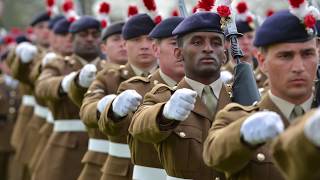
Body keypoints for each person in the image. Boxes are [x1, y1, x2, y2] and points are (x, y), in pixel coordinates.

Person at [203, 10, 318, 180]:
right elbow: (214, 154)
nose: (299, 67)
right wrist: (243, 135)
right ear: (262, 62)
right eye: (285, 56)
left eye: (307, 54)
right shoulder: (237, 117)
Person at [130, 12, 231, 180]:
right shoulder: (164, 98)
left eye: (216, 42)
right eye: (197, 42)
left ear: (224, 55)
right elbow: (140, 126)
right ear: (178, 54)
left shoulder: (241, 98)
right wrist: (165, 114)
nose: (208, 48)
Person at [99, 16, 184, 180]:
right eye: (174, 43)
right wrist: (114, 110)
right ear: (157, 49)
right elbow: (110, 126)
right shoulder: (130, 86)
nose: (144, 46)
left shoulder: (211, 88)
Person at [80, 13, 157, 180]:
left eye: (150, 39)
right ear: (124, 44)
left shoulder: (171, 77)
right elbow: (86, 111)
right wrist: (109, 107)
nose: (144, 46)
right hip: (120, 169)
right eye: (136, 40)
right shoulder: (109, 77)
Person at [33, 16, 102, 180]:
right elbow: (42, 87)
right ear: (72, 38)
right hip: (68, 146)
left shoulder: (109, 69)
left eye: (95, 34)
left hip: (102, 150)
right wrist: (70, 82)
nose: (90, 39)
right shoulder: (59, 65)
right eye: (84, 35)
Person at [73, 21, 127, 180]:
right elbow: (84, 105)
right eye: (117, 39)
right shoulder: (96, 75)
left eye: (127, 39)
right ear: (104, 47)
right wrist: (102, 106)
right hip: (102, 158)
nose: (123, 44)